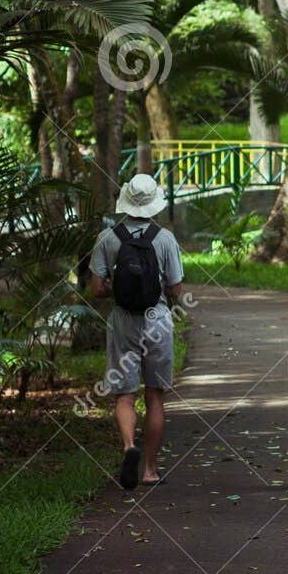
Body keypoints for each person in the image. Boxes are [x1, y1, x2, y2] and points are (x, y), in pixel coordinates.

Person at [89, 173, 184, 490]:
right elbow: (175, 289)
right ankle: (150, 471)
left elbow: (97, 289)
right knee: (155, 396)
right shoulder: (165, 238)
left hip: (122, 321)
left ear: (127, 200)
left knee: (124, 395)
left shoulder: (107, 237)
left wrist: (118, 287)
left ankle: (130, 447)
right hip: (156, 319)